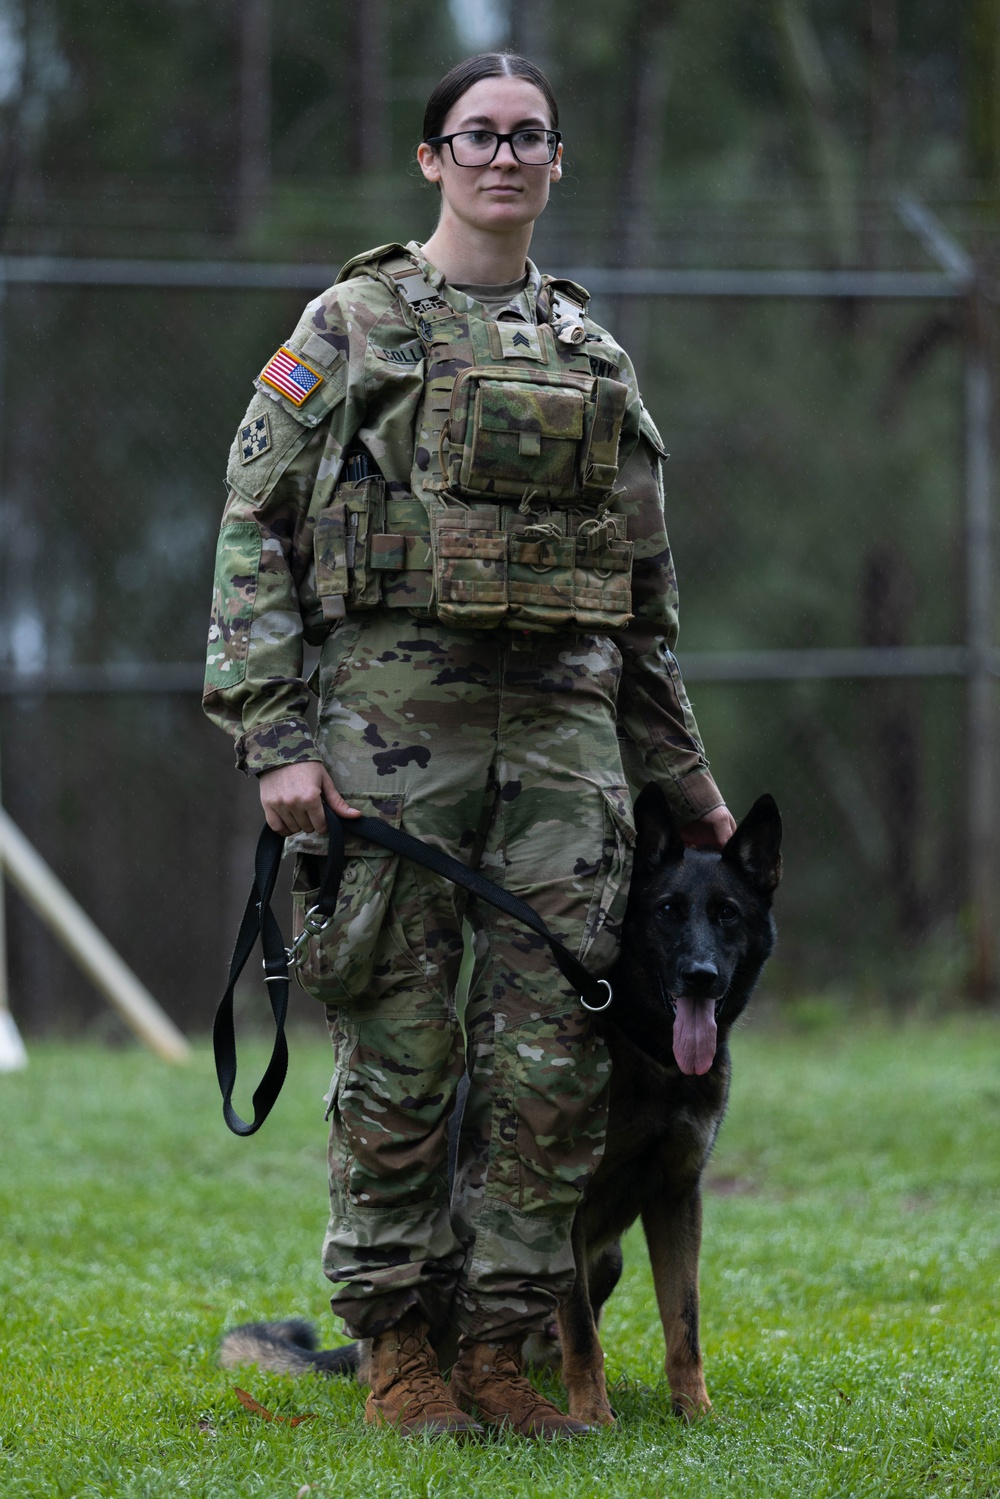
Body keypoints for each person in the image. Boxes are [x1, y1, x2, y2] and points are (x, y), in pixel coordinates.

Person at [204, 51, 735, 1440]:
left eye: (530, 138)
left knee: (557, 1058)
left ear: (557, 164)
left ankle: (506, 1347)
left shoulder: (593, 356)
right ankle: (401, 1350)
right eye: (478, 135)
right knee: (397, 1048)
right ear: (432, 157)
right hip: (390, 746)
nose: (505, 158)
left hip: (563, 754)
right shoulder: (352, 324)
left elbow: (646, 596)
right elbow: (251, 529)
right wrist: (276, 736)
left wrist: (687, 785)